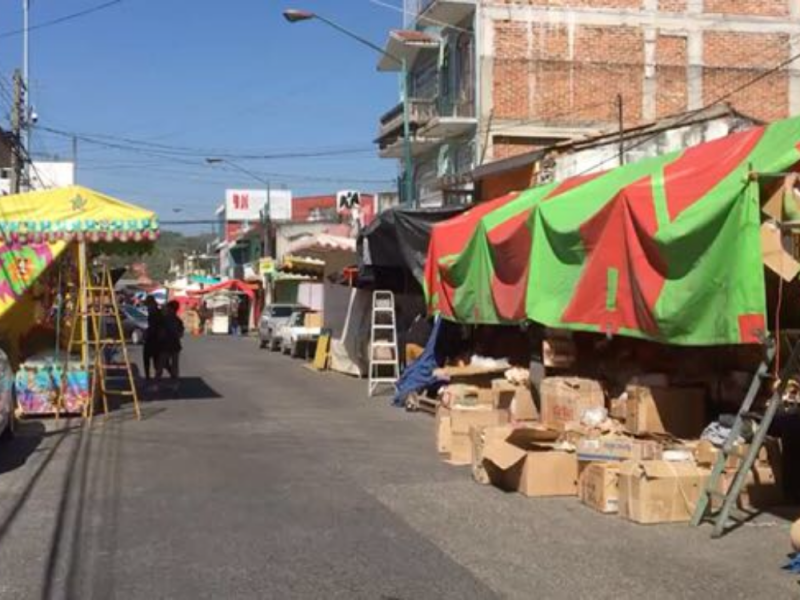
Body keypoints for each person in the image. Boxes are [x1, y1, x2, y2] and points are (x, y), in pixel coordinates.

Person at [157, 300, 185, 393]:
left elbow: (160, 333)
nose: (167, 309)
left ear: (171, 309)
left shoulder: (164, 319)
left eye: (168, 308)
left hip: (165, 345)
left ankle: (158, 384)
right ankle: (175, 383)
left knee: (161, 365)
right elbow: (181, 334)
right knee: (174, 365)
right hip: (175, 345)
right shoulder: (178, 320)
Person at [142, 296, 163, 383]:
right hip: (155, 338)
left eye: (147, 305)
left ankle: (152, 376)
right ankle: (154, 376)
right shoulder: (156, 312)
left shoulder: (155, 313)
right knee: (154, 358)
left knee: (150, 357)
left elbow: (155, 327)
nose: (147, 307)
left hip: (154, 338)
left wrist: (148, 332)